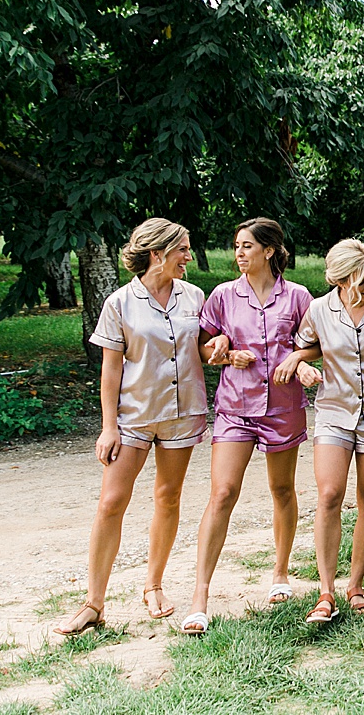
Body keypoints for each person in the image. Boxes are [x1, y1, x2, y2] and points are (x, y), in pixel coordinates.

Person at [55, 219, 208, 635]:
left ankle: (153, 585)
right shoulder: (120, 303)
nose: (189, 257)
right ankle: (93, 603)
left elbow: (205, 346)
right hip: (133, 416)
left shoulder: (194, 296)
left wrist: (225, 349)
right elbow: (110, 369)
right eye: (183, 250)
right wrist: (109, 428)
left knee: (168, 497)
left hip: (183, 413)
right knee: (111, 502)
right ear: (158, 254)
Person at [179, 218, 313, 634]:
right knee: (222, 493)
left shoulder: (298, 297)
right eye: (236, 246)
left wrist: (297, 358)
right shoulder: (222, 296)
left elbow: (317, 341)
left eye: (246, 247)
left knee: (282, 489)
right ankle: (199, 597)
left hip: (283, 407)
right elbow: (204, 347)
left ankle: (280, 574)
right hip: (235, 406)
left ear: (269, 251)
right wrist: (220, 349)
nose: (238, 253)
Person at [276, 239, 364, 624]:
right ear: (342, 280)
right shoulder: (319, 311)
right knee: (330, 494)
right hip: (334, 411)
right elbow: (304, 348)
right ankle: (325, 591)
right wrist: (300, 365)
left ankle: (355, 584)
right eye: (363, 280)